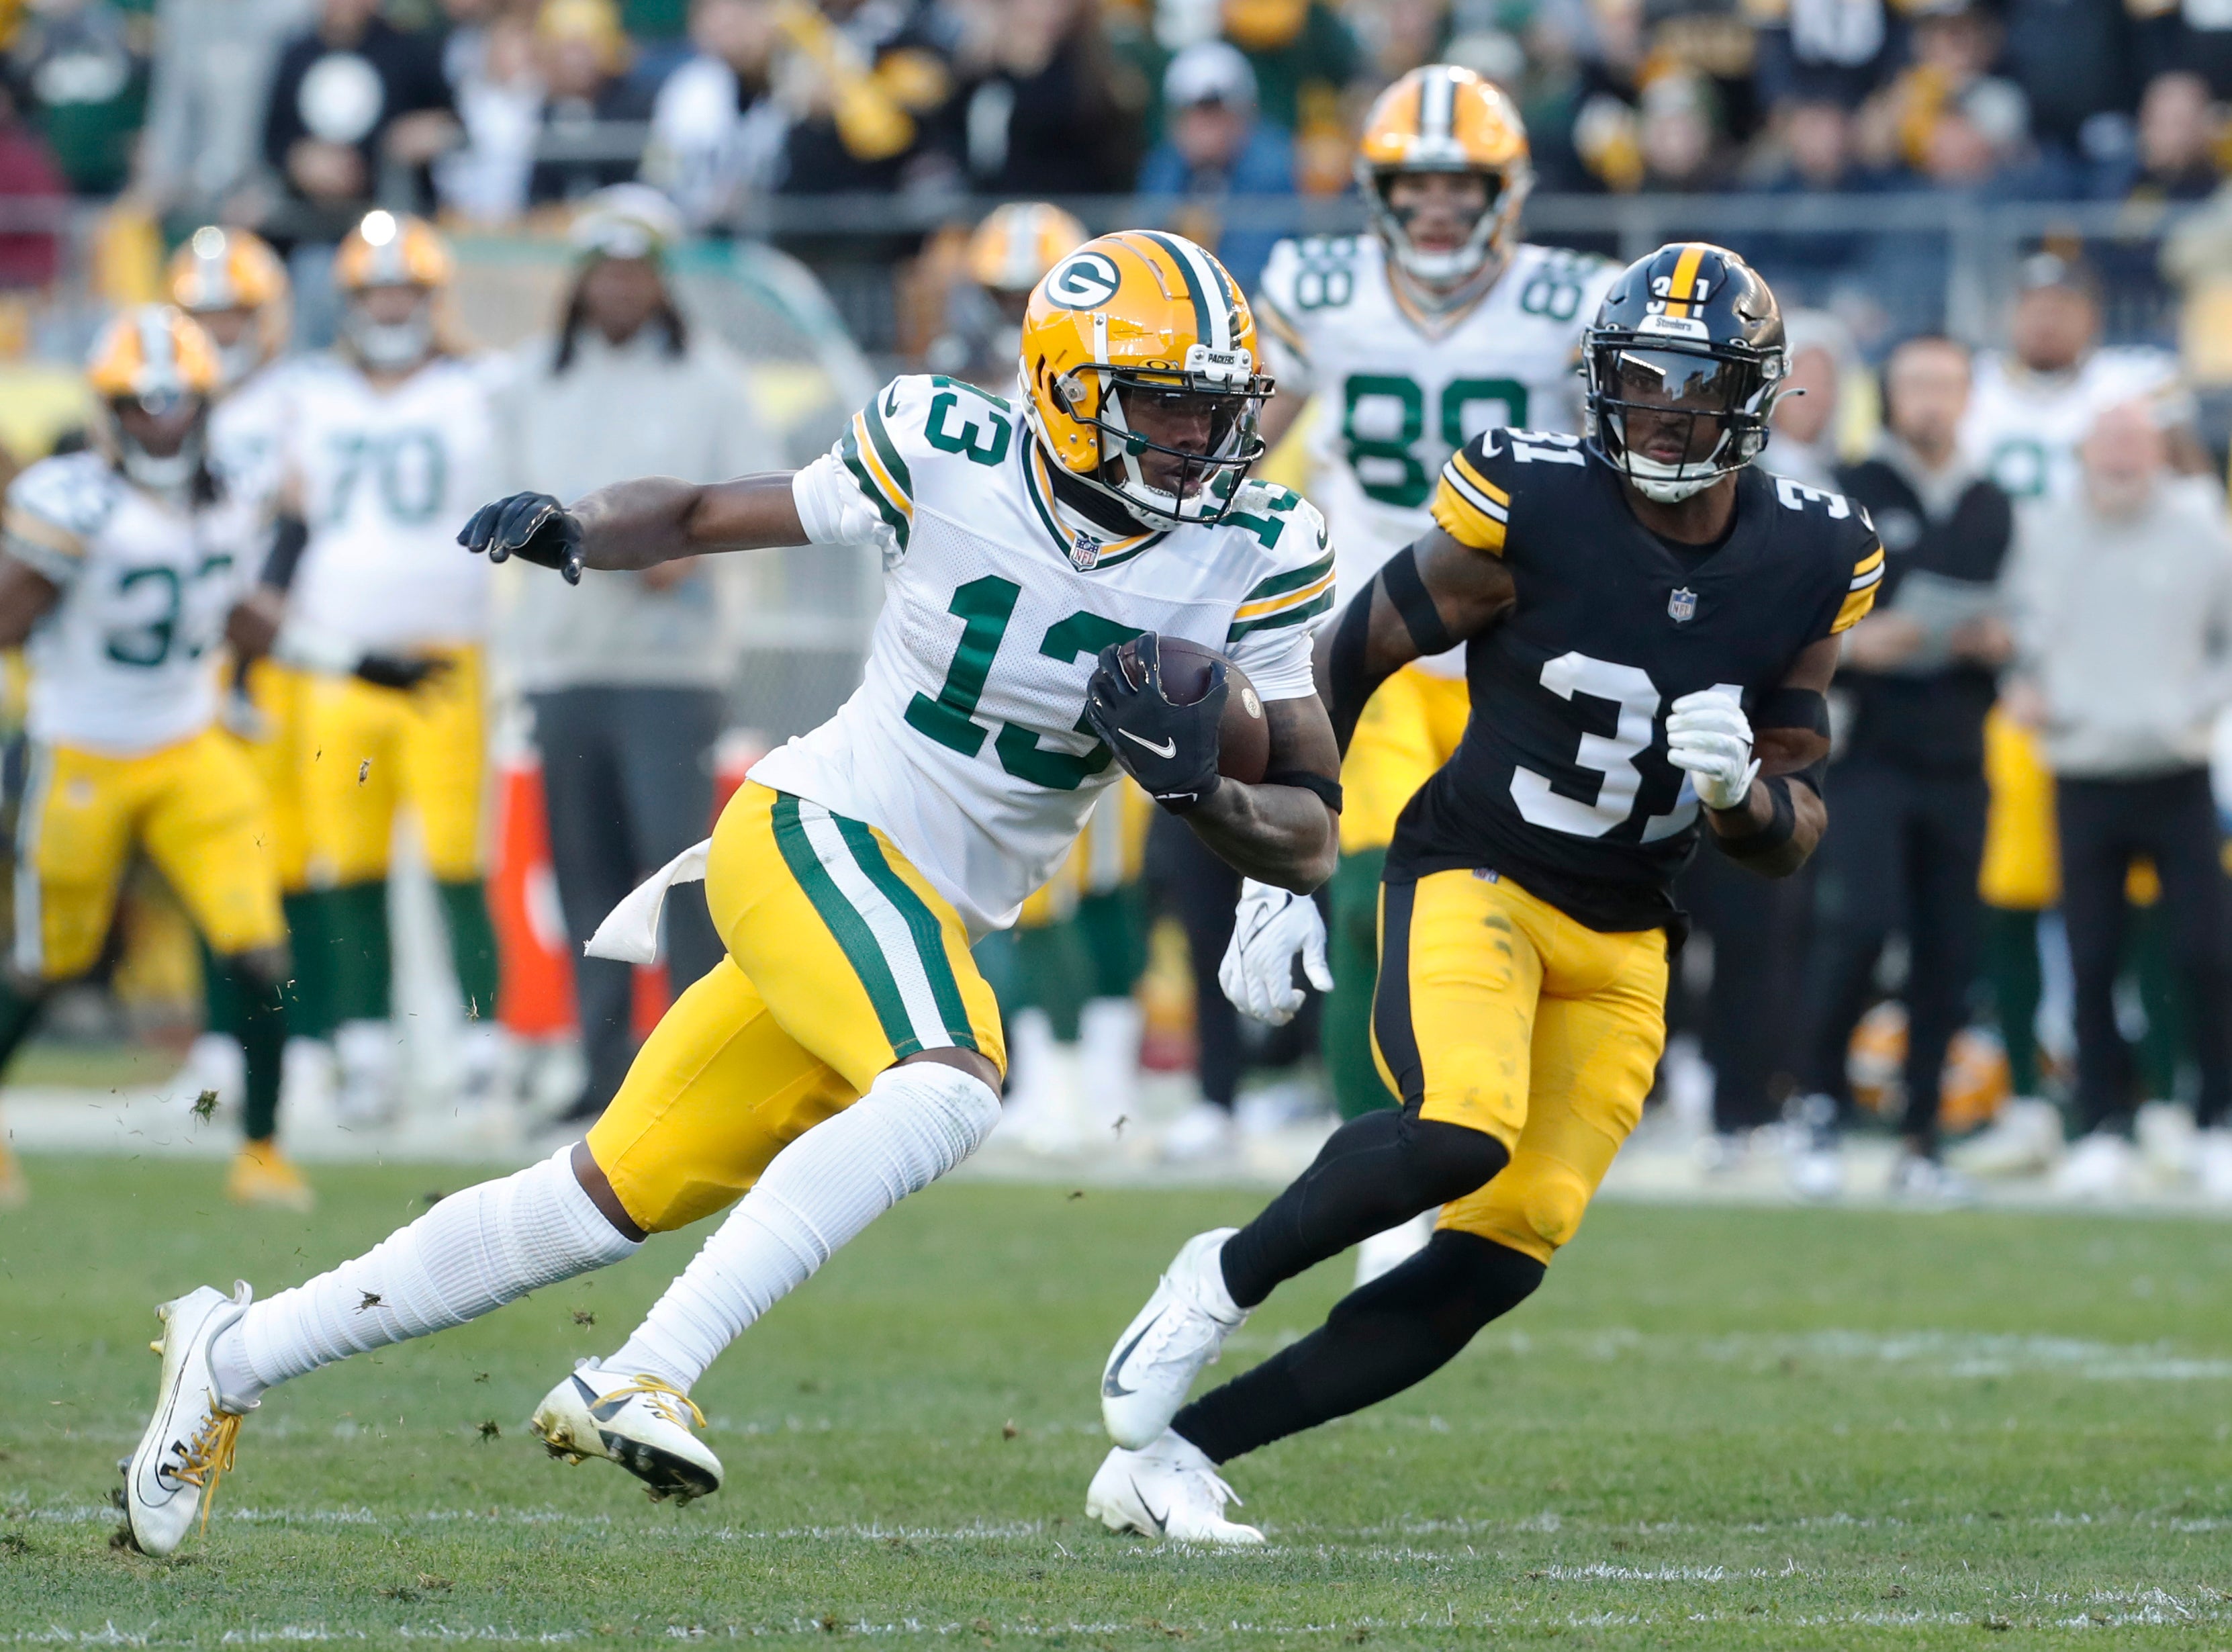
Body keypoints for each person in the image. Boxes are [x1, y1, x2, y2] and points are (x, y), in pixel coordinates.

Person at [120, 230, 1344, 1558]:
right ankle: (642, 1373)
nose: (1199, 442)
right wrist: (580, 526)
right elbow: (707, 512)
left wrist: (1198, 794)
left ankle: (231, 1353)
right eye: (1165, 406)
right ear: (1063, 391)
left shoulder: (1260, 546)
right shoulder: (945, 446)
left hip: (913, 916)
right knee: (951, 1081)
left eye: (1217, 410)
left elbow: (1307, 827)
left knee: (589, 1204)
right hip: (817, 830)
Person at [1090, 244, 1883, 1543]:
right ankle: (1214, 1278)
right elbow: (1342, 659)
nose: (1657, 413)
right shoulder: (1534, 503)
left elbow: (1786, 832)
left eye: (1690, 386)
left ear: (1751, 397)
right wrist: (1288, 863)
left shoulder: (1812, 554)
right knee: (1457, 1129)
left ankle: (1176, 1457)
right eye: (1635, 380)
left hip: (1625, 935)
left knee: (1498, 1256)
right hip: (1477, 870)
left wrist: (1738, 791)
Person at [1246, 65, 1616, 1281]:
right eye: (1416, 185)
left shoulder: (1570, 299)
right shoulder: (1319, 288)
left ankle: (1481, 1151)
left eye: (1461, 185)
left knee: (1524, 914)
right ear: (1378, 191)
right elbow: (1242, 436)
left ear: (1505, 192)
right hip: (1377, 640)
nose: (1439, 207)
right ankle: (1378, 1181)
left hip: (1520, 647)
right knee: (1366, 896)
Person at [0, 310, 302, 1207]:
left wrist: (356, 660)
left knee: (259, 949)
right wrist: (43, 566)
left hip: (189, 743)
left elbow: (237, 609)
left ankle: (263, 1152)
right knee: (45, 963)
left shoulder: (236, 487)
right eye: (140, 404)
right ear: (110, 410)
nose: (161, 422)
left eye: (176, 403)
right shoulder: (71, 499)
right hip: (82, 751)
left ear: (206, 404)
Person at [504, 185, 779, 1126]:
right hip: (567, 657)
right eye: (605, 271)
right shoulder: (532, 379)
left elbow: (762, 499)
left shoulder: (714, 381)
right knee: (587, 874)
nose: (619, 289)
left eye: (636, 271)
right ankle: (604, 1070)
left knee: (679, 869)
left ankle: (697, 1065)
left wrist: (692, 552)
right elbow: (502, 502)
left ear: (661, 279)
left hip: (672, 664)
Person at [270, 210, 509, 1127]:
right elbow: (287, 514)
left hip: (447, 658)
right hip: (338, 663)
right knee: (350, 866)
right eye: (376, 293)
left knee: (458, 862)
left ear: (434, 298)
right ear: (350, 300)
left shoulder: (481, 383)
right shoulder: (309, 392)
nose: (391, 307)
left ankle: (482, 1053)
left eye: (407, 291)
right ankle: (364, 1052)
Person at [1783, 335, 2013, 1200]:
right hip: (1872, 748)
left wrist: (2003, 641)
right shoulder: (1851, 489)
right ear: (1889, 393)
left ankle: (1923, 1138)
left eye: (1947, 384)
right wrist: (1856, 647)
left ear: (1969, 395)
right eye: (1917, 383)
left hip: (1962, 748)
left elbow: (2030, 614)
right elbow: (1792, 615)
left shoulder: (1991, 501)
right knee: (1863, 923)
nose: (1931, 400)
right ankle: (1816, 1104)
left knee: (1949, 947)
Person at [2003, 401, 2232, 1201]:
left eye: (2138, 441)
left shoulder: (2201, 529)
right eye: (2110, 441)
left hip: (2174, 770)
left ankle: (2216, 1122)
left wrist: (2192, 708)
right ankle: (2101, 1126)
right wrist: (2025, 687)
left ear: (2160, 451)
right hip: (2085, 771)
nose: (2124, 456)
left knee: (2206, 952)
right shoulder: (2044, 532)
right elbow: (2017, 635)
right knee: (2091, 957)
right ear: (2084, 452)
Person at [163, 226, 306, 1118]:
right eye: (202, 313)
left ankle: (309, 1041)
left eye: (233, 313)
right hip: (193, 656)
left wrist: (269, 613)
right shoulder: (165, 403)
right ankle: (219, 1040)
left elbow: (298, 514)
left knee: (291, 856)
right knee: (207, 856)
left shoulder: (297, 399)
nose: (219, 330)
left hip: (280, 650)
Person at [1137, 43, 1295, 291]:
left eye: (1215, 112)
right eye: (1194, 113)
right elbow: (1146, 253)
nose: (1205, 127)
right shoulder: (1165, 167)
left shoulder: (1271, 167)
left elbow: (1257, 262)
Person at [924, 201, 1088, 391]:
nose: (1017, 308)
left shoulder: (1092, 362)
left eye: (1031, 295)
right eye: (1004, 296)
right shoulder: (955, 361)